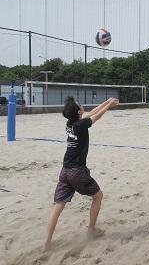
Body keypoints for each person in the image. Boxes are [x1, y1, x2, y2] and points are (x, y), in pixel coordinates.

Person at [43, 96, 119, 252]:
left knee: (58, 206)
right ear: (78, 111)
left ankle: (47, 243)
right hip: (77, 171)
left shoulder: (70, 123)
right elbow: (96, 116)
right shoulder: (81, 124)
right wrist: (109, 106)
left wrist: (106, 102)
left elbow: (91, 112)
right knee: (98, 196)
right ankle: (91, 230)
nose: (82, 106)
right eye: (80, 105)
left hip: (64, 171)